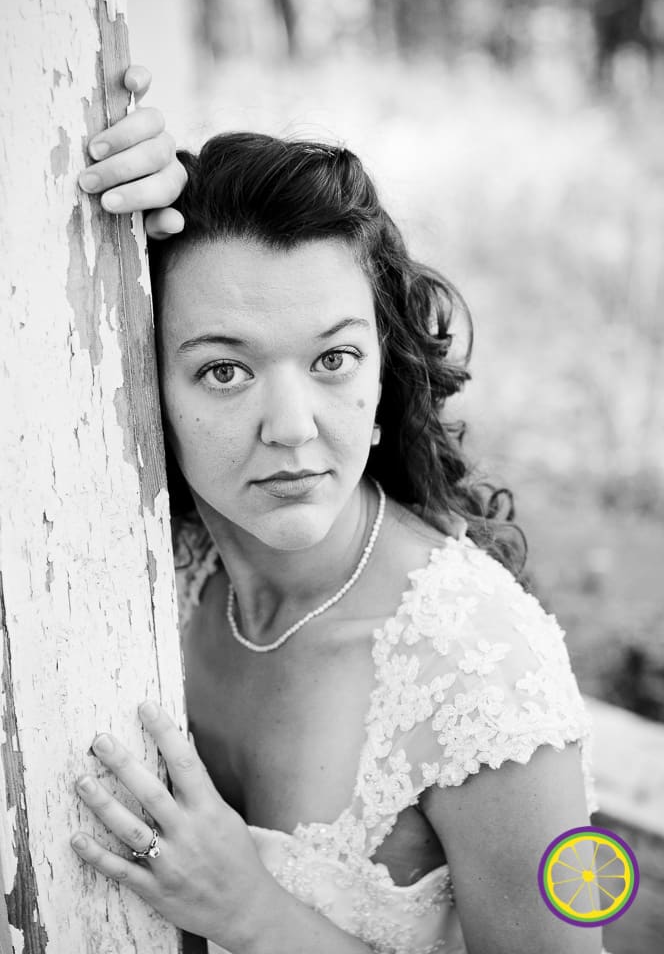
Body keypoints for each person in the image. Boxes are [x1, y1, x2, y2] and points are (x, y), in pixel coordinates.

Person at [71, 67, 609, 954]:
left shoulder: (479, 673)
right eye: (224, 370)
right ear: (146, 382)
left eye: (333, 360)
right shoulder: (156, 566)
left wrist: (254, 915)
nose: (292, 430)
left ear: (386, 364)